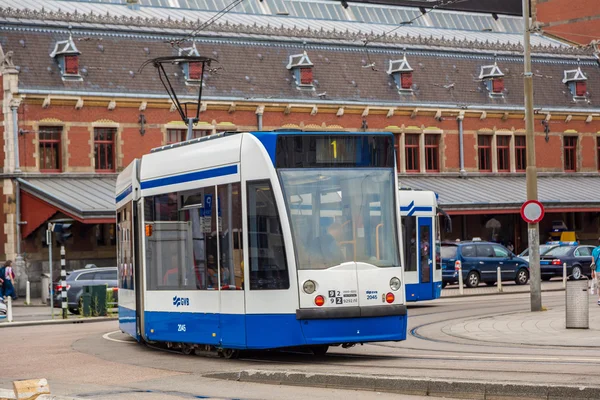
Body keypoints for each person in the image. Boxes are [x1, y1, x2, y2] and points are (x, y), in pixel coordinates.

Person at [592, 238, 600, 306]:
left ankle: (599, 299)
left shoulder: (594, 250)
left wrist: (592, 272)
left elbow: (593, 263)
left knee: (599, 286)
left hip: (597, 271)